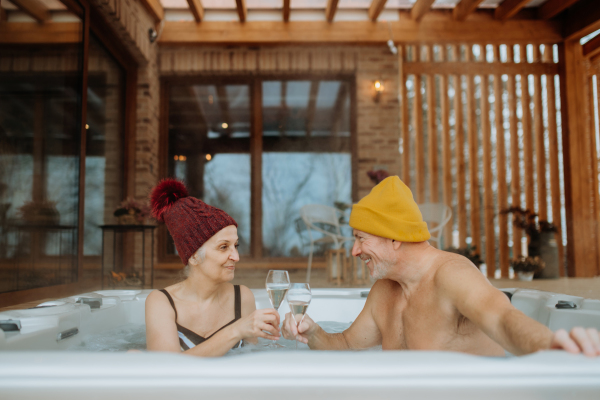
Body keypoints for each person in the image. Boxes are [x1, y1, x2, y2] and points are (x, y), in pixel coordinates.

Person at [282, 176, 600, 357]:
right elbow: (348, 344)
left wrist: (550, 346)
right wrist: (313, 333)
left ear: (394, 239)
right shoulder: (384, 290)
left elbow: (504, 319)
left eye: (361, 239)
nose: (354, 250)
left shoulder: (452, 274)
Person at [145, 179, 281, 356]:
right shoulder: (161, 302)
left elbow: (252, 362)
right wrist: (236, 330)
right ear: (194, 256)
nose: (236, 257)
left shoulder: (243, 297)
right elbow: (165, 370)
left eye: (236, 246)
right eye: (224, 247)